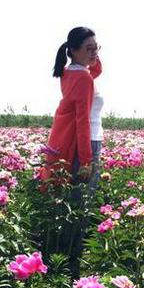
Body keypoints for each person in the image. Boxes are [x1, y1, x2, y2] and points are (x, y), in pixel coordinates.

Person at [39, 26, 104, 196]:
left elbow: (95, 70)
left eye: (96, 48)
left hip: (74, 141)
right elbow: (82, 121)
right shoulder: (83, 78)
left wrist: (93, 55)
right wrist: (86, 161)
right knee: (83, 198)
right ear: (74, 51)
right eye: (89, 49)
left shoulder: (68, 73)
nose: (94, 53)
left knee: (69, 194)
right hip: (87, 143)